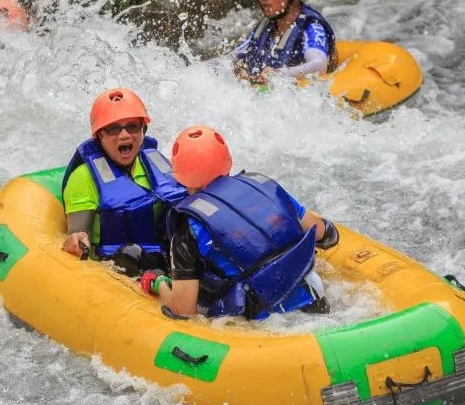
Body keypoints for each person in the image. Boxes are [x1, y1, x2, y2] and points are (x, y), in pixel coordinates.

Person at [139, 126, 340, 319]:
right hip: (315, 301)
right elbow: (324, 233)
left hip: (262, 323)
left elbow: (184, 311)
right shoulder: (263, 186)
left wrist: (159, 284)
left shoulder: (187, 231)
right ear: (228, 160)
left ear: (179, 175)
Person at [60, 89, 187, 275]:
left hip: (164, 255)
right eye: (113, 129)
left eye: (133, 126)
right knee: (131, 253)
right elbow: (78, 234)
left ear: (143, 129)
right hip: (116, 263)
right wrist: (77, 239)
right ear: (100, 136)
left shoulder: (156, 163)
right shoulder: (83, 178)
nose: (125, 135)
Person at [232, 0, 338, 85]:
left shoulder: (311, 26)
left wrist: (279, 74)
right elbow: (232, 57)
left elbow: (319, 65)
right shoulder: (266, 26)